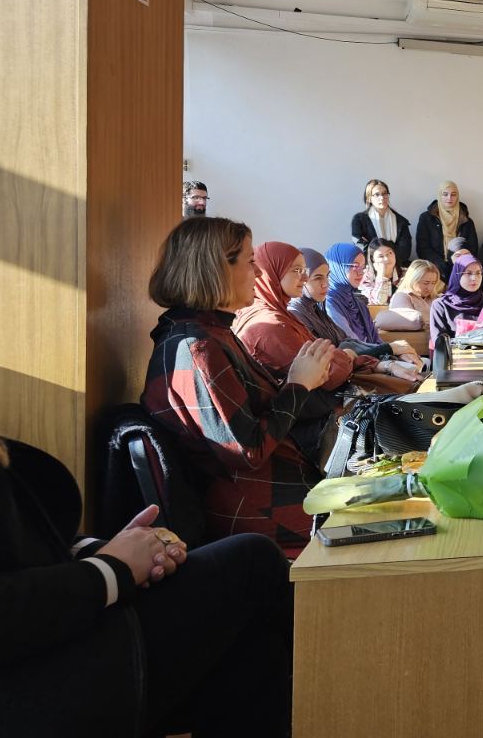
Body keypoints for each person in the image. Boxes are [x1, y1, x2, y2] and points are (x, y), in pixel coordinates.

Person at [0, 434, 292, 738]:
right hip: (22, 698)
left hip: (49, 646)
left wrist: (114, 551)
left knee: (245, 637)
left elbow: (20, 547)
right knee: (253, 568)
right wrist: (110, 571)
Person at [141, 218, 337, 554]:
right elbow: (247, 451)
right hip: (259, 510)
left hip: (278, 488)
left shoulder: (212, 332)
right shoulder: (197, 347)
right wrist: (298, 385)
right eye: (250, 262)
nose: (259, 273)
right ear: (215, 270)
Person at [235, 241, 414, 394]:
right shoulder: (272, 323)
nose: (304, 278)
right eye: (297, 270)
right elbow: (327, 372)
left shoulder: (301, 310)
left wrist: (380, 361)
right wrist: (360, 355)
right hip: (316, 408)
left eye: (304, 271)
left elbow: (342, 347)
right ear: (271, 273)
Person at [289, 247, 403, 363]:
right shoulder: (315, 308)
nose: (326, 284)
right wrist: (388, 354)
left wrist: (391, 354)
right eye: (355, 266)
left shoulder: (317, 309)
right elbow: (338, 354)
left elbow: (348, 343)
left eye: (327, 276)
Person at [429, 253, 483, 349]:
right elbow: (440, 342)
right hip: (455, 356)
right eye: (468, 273)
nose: (474, 278)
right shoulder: (441, 305)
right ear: (457, 275)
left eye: (478, 273)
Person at [415, 180, 479, 268]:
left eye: (453, 194)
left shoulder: (466, 221)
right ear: (439, 196)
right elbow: (422, 248)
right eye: (445, 194)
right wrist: (439, 264)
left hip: (460, 266)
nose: (449, 198)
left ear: (457, 196)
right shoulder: (426, 218)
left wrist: (458, 262)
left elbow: (473, 249)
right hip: (433, 267)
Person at [350, 178, 413, 265]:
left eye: (384, 193)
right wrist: (391, 247)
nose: (382, 197)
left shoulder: (401, 221)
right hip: (371, 266)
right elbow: (361, 248)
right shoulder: (359, 220)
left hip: (397, 265)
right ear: (369, 198)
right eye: (377, 194)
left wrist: (374, 247)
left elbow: (405, 252)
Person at [381, 259, 441, 332]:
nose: (430, 287)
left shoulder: (437, 298)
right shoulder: (401, 296)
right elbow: (409, 321)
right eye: (426, 283)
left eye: (433, 283)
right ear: (413, 280)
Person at [358, 238, 400, 306]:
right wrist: (381, 276)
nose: (386, 258)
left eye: (389, 253)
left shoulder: (406, 274)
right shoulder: (366, 278)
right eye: (381, 256)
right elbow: (380, 301)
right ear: (373, 259)